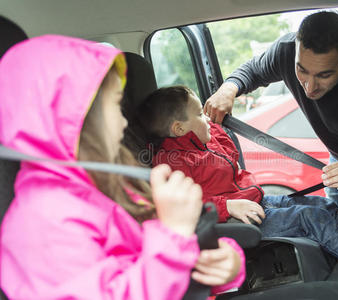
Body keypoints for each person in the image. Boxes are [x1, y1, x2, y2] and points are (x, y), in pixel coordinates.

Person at [0, 35, 245, 299]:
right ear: (76, 117)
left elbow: (165, 253)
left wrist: (224, 260)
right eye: (117, 105)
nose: (124, 122)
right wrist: (173, 237)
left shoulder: (113, 185)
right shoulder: (42, 224)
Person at [127, 85, 338, 288]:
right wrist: (227, 206)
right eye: (199, 115)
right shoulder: (174, 162)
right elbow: (180, 204)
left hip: (258, 200)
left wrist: (214, 121)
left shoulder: (205, 141)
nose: (206, 119)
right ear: (179, 128)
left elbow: (225, 150)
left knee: (325, 205)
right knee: (312, 218)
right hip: (239, 218)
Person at [203, 11, 338, 299]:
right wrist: (228, 89)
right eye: (302, 70)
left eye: (324, 75)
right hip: (335, 162)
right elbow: (253, 71)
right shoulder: (285, 51)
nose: (308, 86)